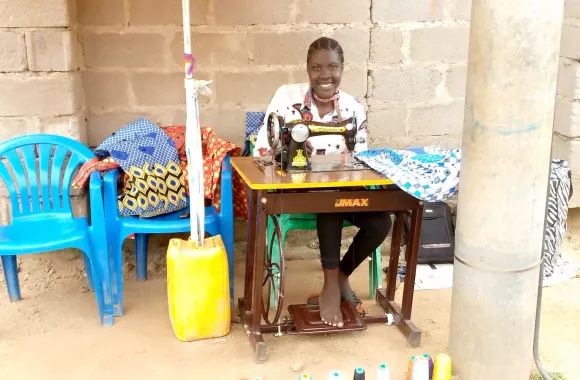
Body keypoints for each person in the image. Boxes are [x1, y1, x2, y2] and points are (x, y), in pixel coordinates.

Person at [253, 37, 392, 328]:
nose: (325, 74)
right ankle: (331, 287)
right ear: (307, 69)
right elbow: (262, 150)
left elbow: (362, 159)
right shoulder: (285, 98)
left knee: (381, 221)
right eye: (316, 67)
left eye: (332, 67)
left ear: (342, 69)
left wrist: (342, 173)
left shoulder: (353, 108)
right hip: (294, 190)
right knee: (330, 198)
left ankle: (340, 276)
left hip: (339, 191)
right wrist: (285, 157)